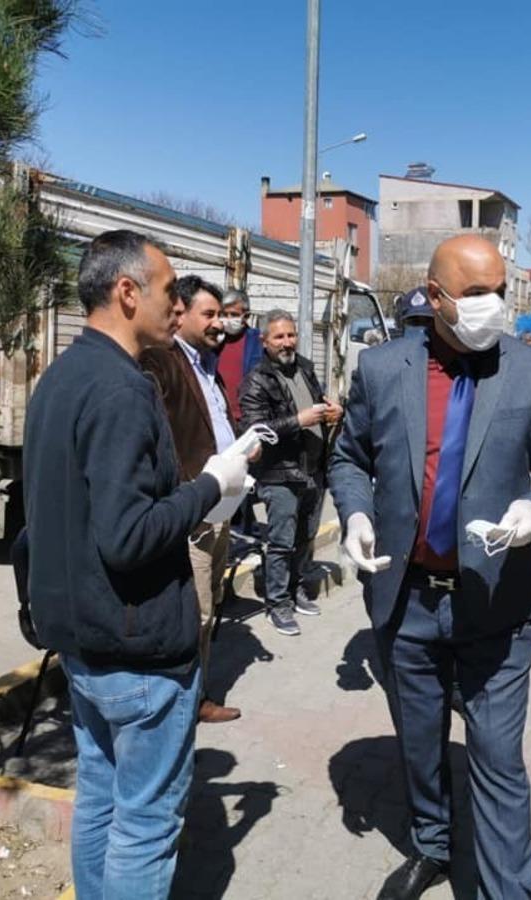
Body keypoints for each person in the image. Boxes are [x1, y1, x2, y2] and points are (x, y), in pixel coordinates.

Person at [330, 235, 531, 899]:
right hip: (406, 601)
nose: (492, 305)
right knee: (420, 744)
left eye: (500, 288)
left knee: (498, 761)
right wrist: (356, 515)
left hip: (495, 605)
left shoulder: (530, 371)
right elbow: (348, 457)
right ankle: (433, 845)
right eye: (475, 294)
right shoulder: (383, 368)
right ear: (435, 297)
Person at [22, 230, 249, 899]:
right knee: (145, 822)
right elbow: (128, 535)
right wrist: (212, 485)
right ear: (127, 292)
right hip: (135, 645)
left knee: (100, 797)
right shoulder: (122, 390)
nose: (178, 307)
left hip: (82, 637)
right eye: (170, 291)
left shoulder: (65, 374)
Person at [139, 274, 244, 724]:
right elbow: (159, 435)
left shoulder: (206, 364)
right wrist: (188, 492)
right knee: (195, 610)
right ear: (179, 314)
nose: (220, 323)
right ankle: (187, 702)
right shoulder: (161, 363)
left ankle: (195, 692)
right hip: (193, 509)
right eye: (211, 314)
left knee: (210, 602)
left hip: (220, 505)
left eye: (222, 314)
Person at [239, 310, 342, 636]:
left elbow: (318, 405)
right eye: (279, 337)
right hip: (280, 474)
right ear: (264, 341)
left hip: (313, 469)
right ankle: (277, 603)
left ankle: (296, 590)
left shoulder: (306, 368)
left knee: (304, 537)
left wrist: (332, 411)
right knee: (282, 542)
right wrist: (298, 420)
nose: (287, 342)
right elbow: (255, 428)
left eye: (291, 335)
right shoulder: (257, 380)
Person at [214, 288, 264, 430]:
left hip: (246, 420)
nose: (228, 319)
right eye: (224, 314)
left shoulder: (258, 341)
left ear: (246, 316)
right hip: (219, 418)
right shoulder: (214, 341)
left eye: (234, 314)